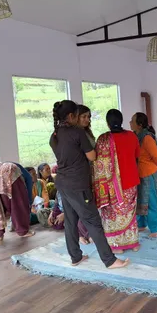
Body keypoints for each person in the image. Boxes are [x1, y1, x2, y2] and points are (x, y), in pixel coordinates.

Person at [50, 100, 128, 269]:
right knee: (93, 221)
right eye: (80, 116)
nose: (84, 119)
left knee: (70, 221)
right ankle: (109, 260)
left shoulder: (54, 135)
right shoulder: (77, 133)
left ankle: (75, 257)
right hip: (78, 184)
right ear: (72, 116)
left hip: (62, 182)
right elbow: (92, 156)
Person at [89, 109, 141, 253]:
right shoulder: (132, 136)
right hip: (130, 181)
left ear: (107, 123)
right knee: (129, 213)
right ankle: (133, 243)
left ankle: (117, 246)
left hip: (111, 185)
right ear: (122, 121)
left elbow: (97, 163)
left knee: (113, 215)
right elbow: (136, 155)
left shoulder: (103, 139)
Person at [130, 112, 157, 238]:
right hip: (138, 174)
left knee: (151, 201)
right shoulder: (135, 136)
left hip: (148, 174)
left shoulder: (146, 138)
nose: (130, 123)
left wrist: (152, 168)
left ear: (139, 125)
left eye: (132, 121)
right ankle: (141, 224)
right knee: (140, 200)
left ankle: (156, 228)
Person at [0, 162, 35, 240]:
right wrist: (29, 204)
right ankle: (22, 231)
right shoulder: (28, 177)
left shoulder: (18, 168)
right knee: (19, 203)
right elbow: (24, 200)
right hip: (8, 172)